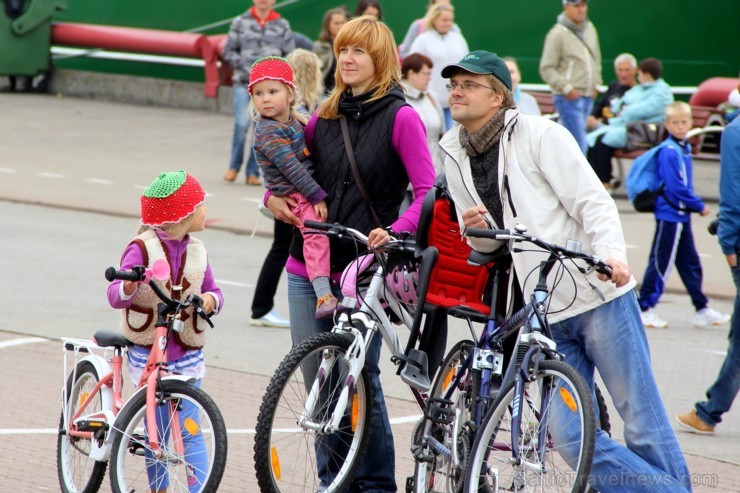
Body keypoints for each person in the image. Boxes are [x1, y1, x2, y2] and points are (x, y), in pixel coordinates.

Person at [440, 50, 691, 491]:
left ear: (498, 97)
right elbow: (485, 242)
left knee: (643, 423)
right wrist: (476, 232)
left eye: (468, 84)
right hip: (544, 311)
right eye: (453, 85)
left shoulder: (540, 136)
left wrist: (612, 255)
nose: (456, 92)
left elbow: (593, 201)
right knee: (572, 441)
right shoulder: (452, 151)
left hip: (596, 293)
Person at [266, 16, 435, 491]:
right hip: (308, 267)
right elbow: (289, 173)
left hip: (364, 272)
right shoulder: (324, 113)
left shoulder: (402, 118)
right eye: (342, 50)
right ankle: (331, 482)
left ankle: (377, 484)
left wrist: (394, 229)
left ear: (380, 58)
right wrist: (270, 200)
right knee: (318, 381)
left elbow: (426, 193)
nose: (347, 59)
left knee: (360, 377)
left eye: (358, 51)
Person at [107, 170, 224, 490]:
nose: (205, 210)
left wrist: (211, 301)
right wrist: (129, 286)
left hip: (186, 351)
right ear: (182, 214)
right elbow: (115, 295)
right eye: (201, 204)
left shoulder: (197, 250)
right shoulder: (141, 249)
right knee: (155, 430)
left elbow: (215, 290)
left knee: (191, 429)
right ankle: (159, 488)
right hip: (148, 350)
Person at [249, 56, 338, 319]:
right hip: (296, 194)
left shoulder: (294, 121)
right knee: (315, 235)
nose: (265, 99)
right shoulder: (268, 131)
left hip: (303, 188)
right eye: (258, 93)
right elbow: (293, 169)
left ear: (290, 94)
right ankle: (323, 294)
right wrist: (317, 196)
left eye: (272, 92)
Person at [637, 102, 730, 329]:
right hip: (670, 216)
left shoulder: (683, 147)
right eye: (675, 122)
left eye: (684, 122)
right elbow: (675, 186)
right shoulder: (670, 151)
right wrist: (698, 205)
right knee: (661, 263)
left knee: (690, 264)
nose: (680, 126)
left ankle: (702, 308)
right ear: (667, 125)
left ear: (690, 123)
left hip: (681, 217)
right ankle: (644, 308)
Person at [675, 115, 740, 434]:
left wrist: (728, 241)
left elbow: (732, 193)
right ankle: (709, 412)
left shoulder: (735, 131)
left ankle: (709, 413)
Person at [222, 0, 295, 186]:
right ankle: (233, 166)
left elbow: (290, 55)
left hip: (268, 88)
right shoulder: (240, 21)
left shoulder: (282, 25)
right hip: (243, 82)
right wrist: (247, 67)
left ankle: (253, 172)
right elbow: (228, 50)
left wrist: (275, 77)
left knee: (259, 128)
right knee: (241, 123)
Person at [586, 57, 673, 188]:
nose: (638, 77)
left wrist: (626, 111)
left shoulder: (662, 91)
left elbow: (644, 109)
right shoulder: (643, 88)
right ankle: (597, 180)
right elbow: (621, 104)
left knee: (601, 141)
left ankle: (604, 181)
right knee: (592, 140)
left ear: (647, 75)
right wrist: (623, 110)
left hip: (645, 132)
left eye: (639, 74)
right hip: (631, 128)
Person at [539, 0, 602, 154]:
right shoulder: (557, 34)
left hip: (588, 96)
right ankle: (580, 178)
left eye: (583, 5)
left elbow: (596, 58)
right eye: (576, 6)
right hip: (569, 99)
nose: (581, 10)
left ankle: (561, 176)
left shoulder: (590, 28)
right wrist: (567, 89)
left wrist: (597, 84)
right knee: (579, 144)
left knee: (568, 144)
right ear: (566, 7)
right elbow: (546, 68)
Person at [409, 2, 469, 130]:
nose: (448, 23)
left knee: (455, 137)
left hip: (456, 98)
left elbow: (467, 63)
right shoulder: (422, 40)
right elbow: (413, 66)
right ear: (434, 20)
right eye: (444, 20)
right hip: (431, 100)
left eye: (450, 20)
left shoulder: (458, 38)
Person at [401, 53, 446, 173]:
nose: (430, 78)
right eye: (426, 74)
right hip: (410, 178)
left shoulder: (432, 97)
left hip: (437, 173)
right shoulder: (399, 99)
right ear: (411, 74)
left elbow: (442, 137)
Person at [587, 52, 637, 130]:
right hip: (599, 125)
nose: (623, 74)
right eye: (620, 70)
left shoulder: (637, 91)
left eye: (627, 70)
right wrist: (592, 117)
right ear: (616, 71)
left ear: (635, 71)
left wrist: (602, 122)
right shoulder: (613, 86)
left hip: (617, 128)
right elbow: (599, 104)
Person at [313, 6, 349, 94]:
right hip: (325, 93)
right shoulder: (319, 47)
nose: (340, 26)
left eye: (343, 22)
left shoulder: (352, 46)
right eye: (336, 23)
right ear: (327, 26)